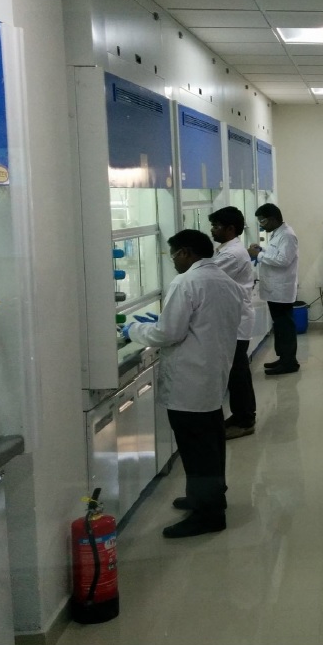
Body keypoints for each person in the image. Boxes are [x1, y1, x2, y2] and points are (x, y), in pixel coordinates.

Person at [123, 229, 243, 538]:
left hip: (191, 380)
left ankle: (208, 515)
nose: (173, 261)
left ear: (186, 252)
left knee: (196, 449)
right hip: (211, 375)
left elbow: (168, 334)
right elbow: (202, 323)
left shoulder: (186, 282)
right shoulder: (223, 280)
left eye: (173, 255)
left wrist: (133, 330)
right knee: (210, 444)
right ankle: (209, 497)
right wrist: (162, 322)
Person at [209, 206, 258, 440]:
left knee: (237, 373)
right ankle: (242, 415)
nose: (212, 230)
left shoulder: (231, 255)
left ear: (230, 229)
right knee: (238, 372)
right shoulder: (229, 250)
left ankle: (245, 420)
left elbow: (206, 278)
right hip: (234, 319)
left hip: (236, 322)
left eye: (216, 226)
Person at [249, 203, 300, 375]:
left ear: (272, 219)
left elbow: (283, 260)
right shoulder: (278, 234)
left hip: (281, 290)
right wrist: (262, 250)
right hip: (275, 289)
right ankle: (284, 359)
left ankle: (289, 362)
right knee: (280, 326)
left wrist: (259, 255)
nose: (261, 224)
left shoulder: (287, 235)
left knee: (285, 327)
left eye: (262, 221)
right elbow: (277, 254)